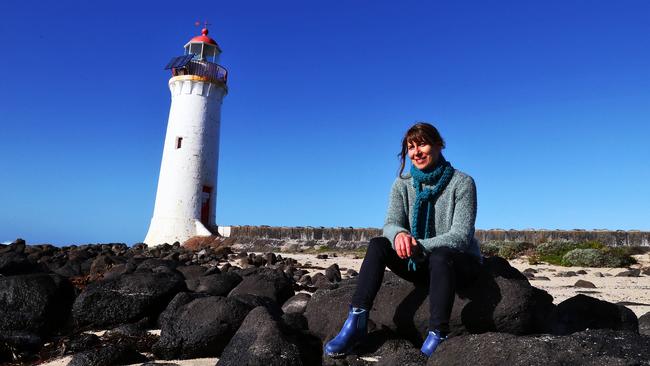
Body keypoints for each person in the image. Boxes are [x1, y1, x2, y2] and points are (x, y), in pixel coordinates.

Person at [324, 122, 483, 358]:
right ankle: (356, 321)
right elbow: (389, 223)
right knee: (378, 244)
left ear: (439, 145)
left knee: (441, 256)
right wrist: (399, 235)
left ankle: (438, 335)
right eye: (411, 147)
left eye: (423, 144)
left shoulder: (462, 183)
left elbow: (460, 237)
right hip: (419, 262)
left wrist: (417, 244)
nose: (416, 152)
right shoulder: (402, 184)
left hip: (457, 264)